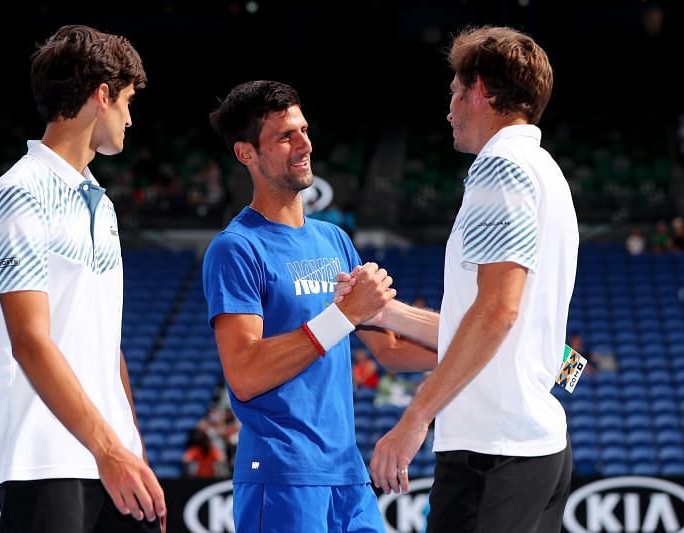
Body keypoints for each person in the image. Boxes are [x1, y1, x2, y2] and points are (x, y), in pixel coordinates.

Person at [341, 26, 578, 533]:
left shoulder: (501, 168)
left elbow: (497, 312)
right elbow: (497, 322)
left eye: (454, 92)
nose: (448, 108)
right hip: (533, 451)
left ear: (482, 91)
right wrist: (384, 313)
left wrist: (414, 420)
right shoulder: (546, 171)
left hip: (492, 454)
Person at [202, 80, 440, 532]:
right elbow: (246, 375)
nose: (304, 144)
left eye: (304, 130)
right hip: (282, 475)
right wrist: (343, 317)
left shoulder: (334, 240)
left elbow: (389, 351)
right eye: (285, 136)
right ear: (246, 153)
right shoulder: (236, 248)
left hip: (348, 475)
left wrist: (479, 353)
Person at [0, 25, 165, 533]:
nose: (130, 116)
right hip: (44, 456)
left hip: (110, 459)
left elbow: (106, 345)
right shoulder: (19, 191)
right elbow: (30, 341)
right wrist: (109, 450)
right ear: (101, 96)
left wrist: (131, 448)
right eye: (126, 100)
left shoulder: (100, 203)